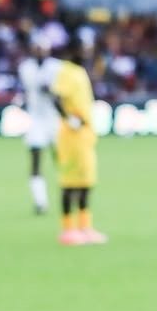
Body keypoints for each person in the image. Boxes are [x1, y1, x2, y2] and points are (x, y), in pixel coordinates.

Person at [52, 42, 107, 245]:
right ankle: (67, 229)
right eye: (82, 48)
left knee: (86, 181)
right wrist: (69, 119)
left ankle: (85, 227)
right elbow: (56, 99)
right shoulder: (66, 71)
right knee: (69, 181)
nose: (86, 52)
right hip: (70, 137)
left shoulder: (80, 71)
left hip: (85, 136)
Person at [17, 33, 61, 215]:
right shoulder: (26, 67)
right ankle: (40, 201)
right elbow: (35, 89)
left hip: (54, 118)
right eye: (37, 48)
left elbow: (57, 92)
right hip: (36, 118)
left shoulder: (56, 67)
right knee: (35, 160)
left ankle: (69, 193)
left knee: (62, 159)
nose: (40, 51)